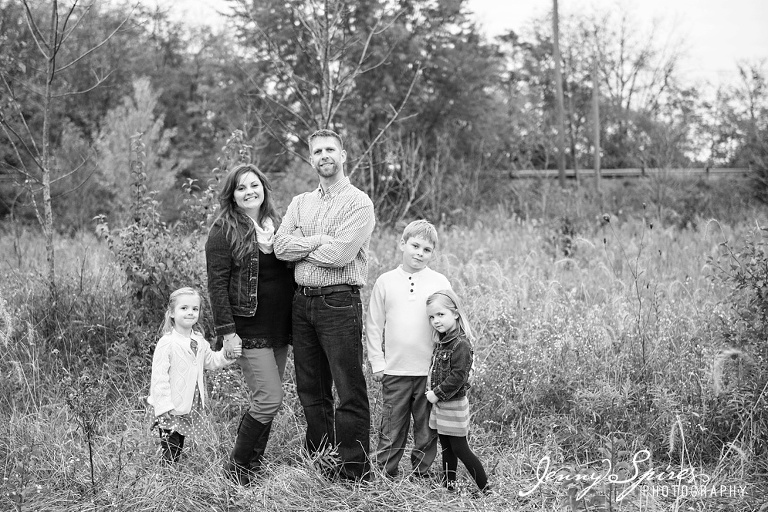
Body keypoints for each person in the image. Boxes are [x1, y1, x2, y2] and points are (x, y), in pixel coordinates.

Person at [274, 128, 375, 481]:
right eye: (317, 151)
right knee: (311, 390)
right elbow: (280, 247)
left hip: (339, 303)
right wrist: (319, 240)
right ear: (311, 158)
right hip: (302, 304)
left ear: (343, 155)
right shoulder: (300, 202)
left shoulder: (359, 202)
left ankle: (354, 471)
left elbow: (341, 255)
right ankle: (322, 464)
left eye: (330, 149)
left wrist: (302, 246)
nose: (324, 156)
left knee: (348, 389)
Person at [205, 164, 296, 484]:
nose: (249, 192)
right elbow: (217, 286)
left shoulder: (279, 227)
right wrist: (227, 333)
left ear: (264, 189)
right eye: (241, 188)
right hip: (248, 329)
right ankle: (237, 469)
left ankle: (250, 468)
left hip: (279, 328)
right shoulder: (222, 230)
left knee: (265, 400)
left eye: (254, 185)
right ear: (232, 195)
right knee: (270, 398)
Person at [365, 220, 450, 479]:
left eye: (427, 250)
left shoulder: (439, 281)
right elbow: (373, 325)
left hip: (429, 373)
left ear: (432, 253)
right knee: (392, 427)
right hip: (395, 371)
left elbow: (450, 323)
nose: (420, 253)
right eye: (415, 246)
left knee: (426, 429)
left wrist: (448, 365)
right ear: (402, 244)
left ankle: (421, 473)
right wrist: (377, 362)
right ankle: (385, 472)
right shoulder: (386, 282)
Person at [148, 287, 237, 463]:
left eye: (195, 309)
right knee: (171, 445)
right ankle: (168, 475)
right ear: (172, 313)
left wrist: (228, 355)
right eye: (184, 308)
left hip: (188, 403)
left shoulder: (198, 340)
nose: (190, 312)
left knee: (179, 442)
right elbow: (159, 377)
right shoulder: (167, 342)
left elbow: (211, 361)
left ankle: (172, 470)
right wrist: (163, 406)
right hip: (170, 405)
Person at [425, 289, 489, 493]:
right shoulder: (442, 342)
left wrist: (436, 393)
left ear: (455, 313)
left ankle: (485, 488)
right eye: (432, 317)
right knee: (446, 447)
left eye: (440, 314)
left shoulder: (460, 344)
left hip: (453, 404)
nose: (436, 320)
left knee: (460, 448)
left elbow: (458, 377)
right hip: (443, 405)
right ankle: (449, 486)